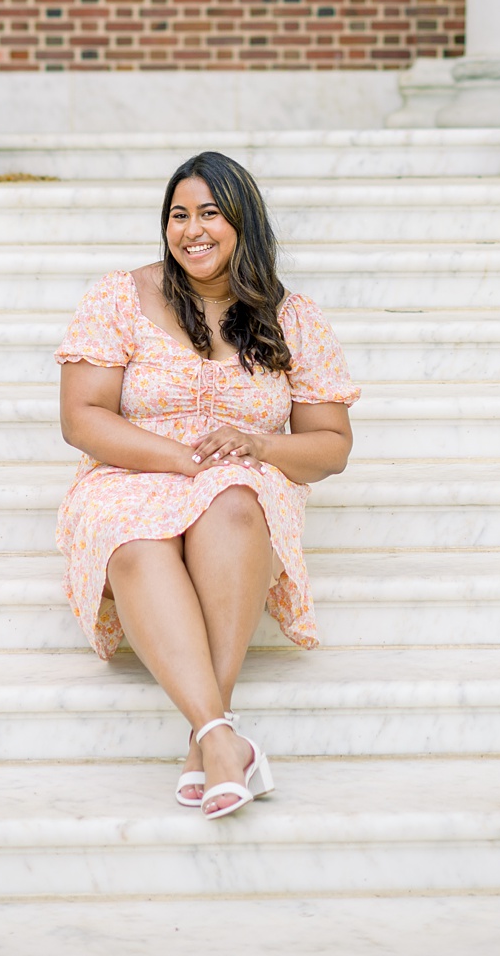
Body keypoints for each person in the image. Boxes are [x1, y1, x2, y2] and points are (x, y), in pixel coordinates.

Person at [54, 151, 357, 819]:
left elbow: (332, 446)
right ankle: (221, 737)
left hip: (239, 481)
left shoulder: (292, 318)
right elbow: (81, 416)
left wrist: (258, 445)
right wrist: (181, 459)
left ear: (243, 223)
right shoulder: (119, 297)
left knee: (236, 504)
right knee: (133, 541)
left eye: (211, 214)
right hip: (129, 474)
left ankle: (209, 738)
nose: (192, 229)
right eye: (178, 215)